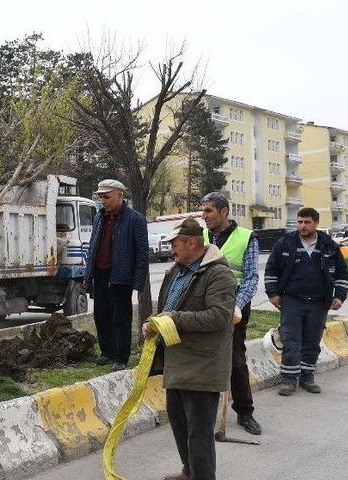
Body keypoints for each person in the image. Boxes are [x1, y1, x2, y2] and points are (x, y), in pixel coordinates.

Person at [144, 217, 236, 480]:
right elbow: (167, 307)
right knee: (180, 424)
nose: (171, 249)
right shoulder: (176, 270)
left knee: (199, 432)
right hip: (177, 361)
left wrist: (174, 319)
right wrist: (154, 324)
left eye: (175, 244)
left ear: (191, 243)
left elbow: (218, 317)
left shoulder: (218, 274)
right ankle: (190, 471)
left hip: (202, 365)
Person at [264, 207, 348, 396]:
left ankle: (307, 378)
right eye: (299, 222)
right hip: (292, 301)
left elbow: (342, 273)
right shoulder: (284, 243)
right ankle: (288, 380)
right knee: (291, 341)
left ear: (316, 223)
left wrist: (339, 296)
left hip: (319, 302)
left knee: (312, 342)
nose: (302, 226)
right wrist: (273, 294)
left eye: (307, 222)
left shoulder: (329, 245)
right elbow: (271, 270)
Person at [200, 192, 262, 436]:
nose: (204, 216)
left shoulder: (246, 237)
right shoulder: (200, 235)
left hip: (234, 306)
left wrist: (236, 305)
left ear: (224, 211)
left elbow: (250, 278)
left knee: (235, 360)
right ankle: (201, 413)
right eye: (203, 211)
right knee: (203, 358)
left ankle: (245, 412)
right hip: (205, 305)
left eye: (209, 211)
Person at [83, 179, 149, 371]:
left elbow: (142, 252)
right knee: (101, 315)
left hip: (121, 277)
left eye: (106, 197)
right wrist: (88, 274)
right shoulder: (99, 217)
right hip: (100, 274)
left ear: (120, 195)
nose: (103, 201)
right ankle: (107, 352)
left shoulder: (135, 219)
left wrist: (138, 281)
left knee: (121, 318)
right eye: (101, 197)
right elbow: (93, 246)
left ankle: (121, 356)